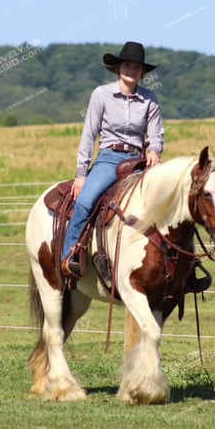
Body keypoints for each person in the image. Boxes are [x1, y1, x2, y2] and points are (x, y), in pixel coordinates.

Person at [61, 41, 164, 279]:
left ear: (142, 72)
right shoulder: (101, 95)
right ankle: (70, 256)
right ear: (118, 68)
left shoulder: (150, 99)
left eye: (137, 67)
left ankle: (173, 265)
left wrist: (154, 151)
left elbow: (156, 134)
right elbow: (89, 133)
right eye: (127, 65)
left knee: (164, 202)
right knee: (85, 202)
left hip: (138, 161)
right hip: (109, 158)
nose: (131, 70)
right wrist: (81, 174)